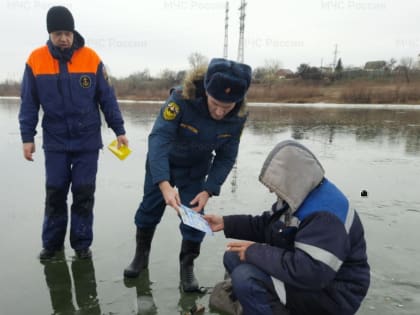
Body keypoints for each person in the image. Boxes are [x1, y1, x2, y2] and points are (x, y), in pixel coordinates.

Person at [123, 58, 252, 294]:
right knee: (149, 209)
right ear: (205, 91)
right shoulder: (181, 101)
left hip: (195, 168)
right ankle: (140, 257)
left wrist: (209, 189)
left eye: (228, 105)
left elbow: (226, 155)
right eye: (215, 103)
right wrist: (163, 185)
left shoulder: (239, 116)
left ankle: (187, 266)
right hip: (163, 163)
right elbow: (159, 140)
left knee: (195, 217)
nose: (221, 111)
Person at [204, 140, 370, 315]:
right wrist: (225, 222)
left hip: (333, 294)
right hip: (311, 276)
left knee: (245, 278)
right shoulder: (300, 194)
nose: (271, 191)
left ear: (292, 177)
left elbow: (311, 272)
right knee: (233, 257)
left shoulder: (325, 215)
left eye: (276, 183)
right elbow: (268, 226)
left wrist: (254, 252)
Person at [18, 6, 128, 260]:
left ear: (73, 32)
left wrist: (119, 129)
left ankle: (81, 245)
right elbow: (28, 103)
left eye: (67, 32)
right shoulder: (35, 60)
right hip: (55, 141)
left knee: (83, 192)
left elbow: (107, 98)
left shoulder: (91, 58)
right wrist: (27, 137)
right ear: (50, 34)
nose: (64, 38)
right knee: (55, 192)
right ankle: (52, 244)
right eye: (58, 33)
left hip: (87, 142)